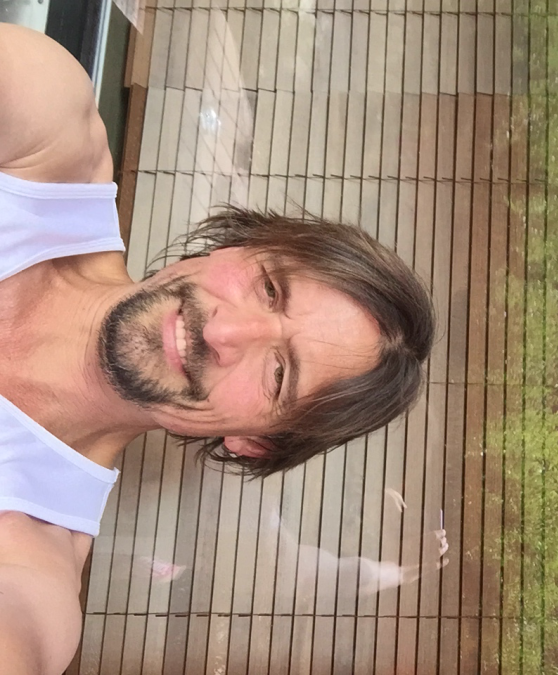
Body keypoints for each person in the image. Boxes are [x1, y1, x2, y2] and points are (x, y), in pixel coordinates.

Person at [0, 24, 434, 674]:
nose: (225, 333)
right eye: (269, 288)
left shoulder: (30, 562)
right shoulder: (43, 145)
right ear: (237, 246)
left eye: (278, 373)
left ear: (255, 441)